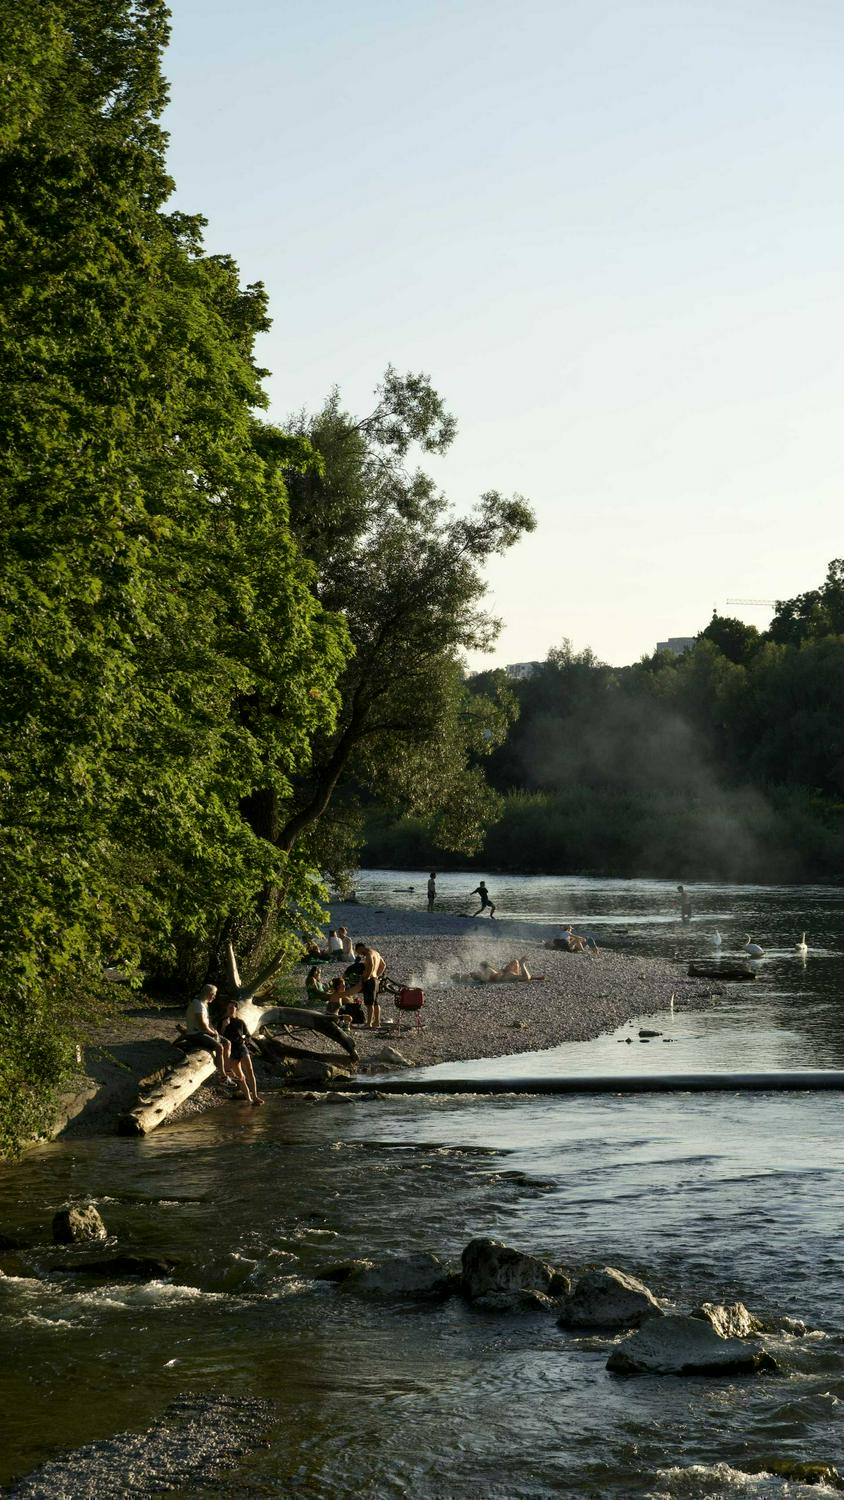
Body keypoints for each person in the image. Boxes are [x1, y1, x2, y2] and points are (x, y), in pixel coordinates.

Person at [183, 983, 230, 1079]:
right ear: (209, 993)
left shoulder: (205, 1004)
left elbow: (208, 1022)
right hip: (195, 1034)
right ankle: (223, 1076)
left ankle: (226, 1068)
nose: (215, 996)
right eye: (214, 994)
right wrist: (212, 1033)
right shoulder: (197, 1004)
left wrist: (214, 1031)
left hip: (203, 1032)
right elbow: (202, 1024)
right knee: (219, 1047)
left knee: (227, 1043)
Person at [221, 1000, 263, 1106]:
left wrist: (244, 1039)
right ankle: (249, 1099)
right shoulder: (222, 1021)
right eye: (228, 1008)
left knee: (250, 1070)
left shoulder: (240, 1022)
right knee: (240, 1076)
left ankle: (255, 1096)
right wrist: (224, 1026)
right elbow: (219, 1036)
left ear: (236, 1009)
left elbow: (248, 1035)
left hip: (241, 1047)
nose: (230, 1010)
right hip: (231, 1050)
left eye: (232, 1008)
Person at [355, 941, 386, 1029]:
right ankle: (376, 1022)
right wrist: (377, 975)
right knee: (375, 1002)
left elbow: (371, 965)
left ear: (360, 948)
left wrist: (367, 977)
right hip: (375, 980)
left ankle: (369, 1023)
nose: (360, 954)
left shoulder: (368, 954)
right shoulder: (376, 953)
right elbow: (383, 965)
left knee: (369, 1004)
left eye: (359, 952)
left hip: (370, 981)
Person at [471, 956, 544, 982]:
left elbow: (484, 978)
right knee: (523, 976)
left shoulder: (487, 971)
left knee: (515, 961)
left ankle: (521, 972)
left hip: (502, 975)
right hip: (503, 975)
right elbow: (526, 978)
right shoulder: (488, 971)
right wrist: (522, 965)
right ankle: (521, 973)